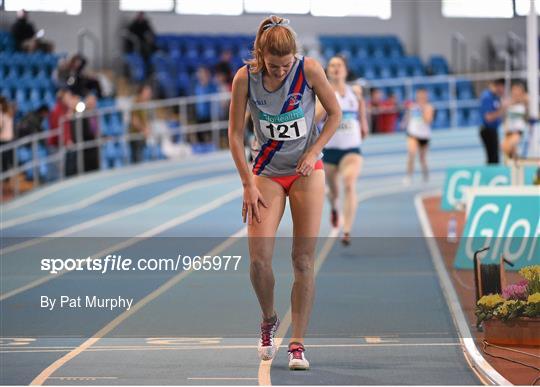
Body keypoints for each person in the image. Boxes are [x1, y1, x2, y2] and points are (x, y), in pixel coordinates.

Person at [228, 15, 341, 370]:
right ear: (261, 57)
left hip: (307, 171)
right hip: (266, 172)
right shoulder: (245, 78)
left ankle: (297, 344)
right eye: (274, 66)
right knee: (259, 258)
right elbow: (233, 135)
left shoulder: (309, 70)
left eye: (285, 65)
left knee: (303, 260)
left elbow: (335, 114)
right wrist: (247, 182)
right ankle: (268, 319)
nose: (279, 72)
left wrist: (313, 150)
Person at [315, 55, 368, 246]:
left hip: (351, 149)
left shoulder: (355, 93)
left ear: (345, 70)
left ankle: (346, 230)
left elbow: (361, 112)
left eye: (339, 65)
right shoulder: (322, 93)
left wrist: (363, 123)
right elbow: (315, 120)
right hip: (329, 151)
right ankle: (335, 208)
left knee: (349, 183)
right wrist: (327, 102)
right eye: (332, 65)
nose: (335, 68)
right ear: (328, 71)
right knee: (333, 192)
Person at [402, 88, 434, 184]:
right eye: (419, 96)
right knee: (411, 154)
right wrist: (405, 122)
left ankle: (425, 174)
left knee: (422, 158)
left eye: (423, 96)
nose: (420, 98)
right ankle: (408, 176)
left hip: (424, 136)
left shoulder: (429, 107)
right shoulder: (412, 106)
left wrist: (422, 110)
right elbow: (407, 117)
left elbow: (428, 121)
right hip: (413, 134)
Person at [479, 78, 506, 164]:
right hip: (487, 130)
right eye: (502, 87)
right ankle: (490, 175)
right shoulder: (487, 97)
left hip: (493, 130)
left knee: (495, 157)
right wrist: (502, 110)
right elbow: (488, 117)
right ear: (498, 86)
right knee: (492, 158)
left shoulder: (496, 97)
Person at [501, 81, 528, 161]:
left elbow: (525, 101)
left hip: (518, 130)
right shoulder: (508, 101)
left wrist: (515, 100)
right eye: (514, 90)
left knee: (509, 145)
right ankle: (515, 159)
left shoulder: (525, 99)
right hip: (509, 129)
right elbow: (505, 115)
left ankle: (515, 159)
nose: (515, 92)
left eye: (517, 90)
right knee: (504, 147)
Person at [129, 84, 152, 163]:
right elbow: (134, 121)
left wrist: (148, 129)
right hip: (136, 135)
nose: (149, 95)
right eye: (147, 93)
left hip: (142, 135)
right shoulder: (136, 103)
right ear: (141, 93)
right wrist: (144, 129)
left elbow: (146, 120)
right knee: (138, 161)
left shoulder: (146, 104)